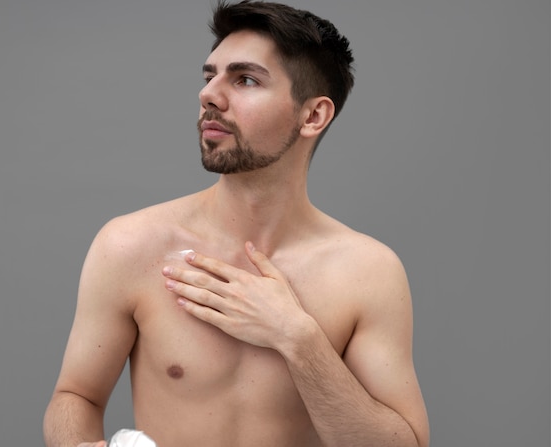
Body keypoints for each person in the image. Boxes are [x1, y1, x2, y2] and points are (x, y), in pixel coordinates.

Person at [43, 1, 430, 446]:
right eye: (210, 76)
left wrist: (297, 338)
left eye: (245, 79)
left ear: (313, 116)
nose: (209, 94)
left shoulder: (367, 274)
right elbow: (76, 396)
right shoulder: (131, 246)